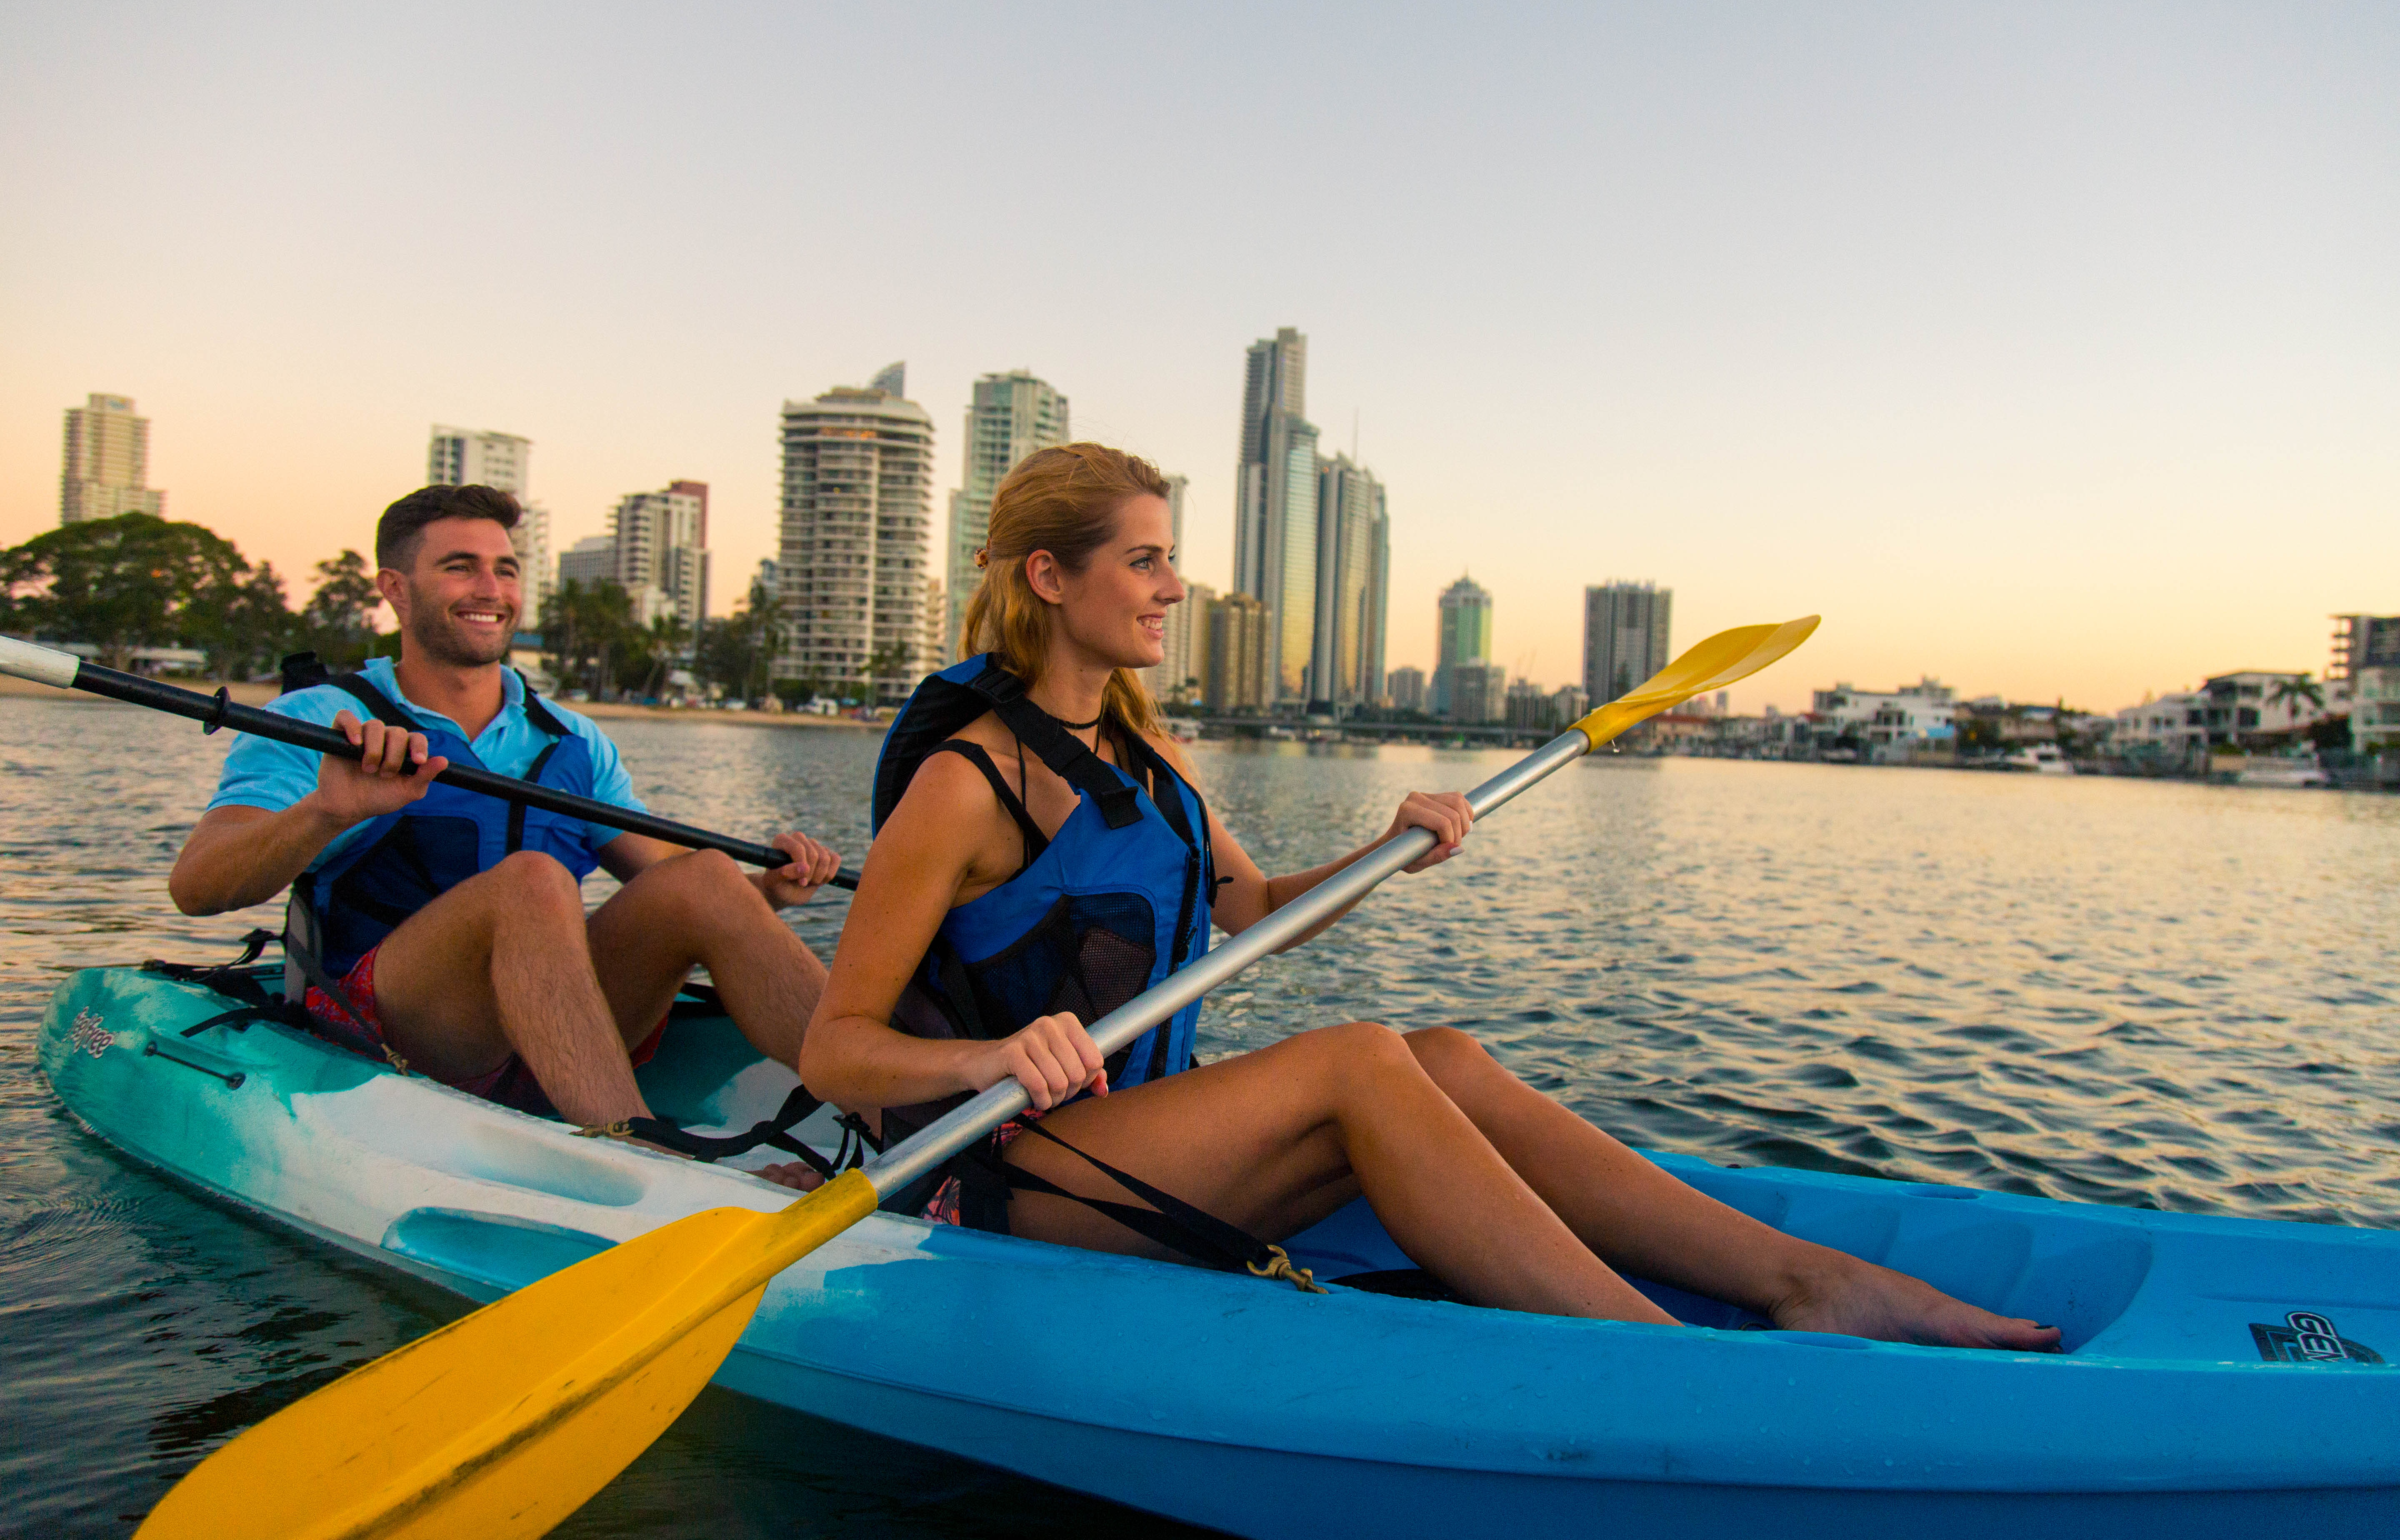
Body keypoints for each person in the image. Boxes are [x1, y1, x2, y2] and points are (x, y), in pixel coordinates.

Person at [797, 442, 2060, 1345]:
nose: (1174, 587)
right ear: (1049, 579)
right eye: (1145, 561)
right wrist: (988, 1057)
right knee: (1358, 1062)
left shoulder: (1147, 751)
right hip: (1005, 1179)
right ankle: (1666, 1357)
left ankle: (1802, 1281)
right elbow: (839, 1048)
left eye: (1172, 557)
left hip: (1134, 1134)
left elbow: (1252, 909)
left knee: (1438, 1055)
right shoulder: (966, 788)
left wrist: (1387, 843)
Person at [170, 483, 842, 1132]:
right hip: (399, 1032)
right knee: (533, 879)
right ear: (396, 590)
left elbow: (677, 886)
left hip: (556, 1033)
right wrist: (325, 811)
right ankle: (633, 1145)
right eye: (460, 569)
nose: (491, 591)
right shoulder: (316, 720)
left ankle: (899, 1123)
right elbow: (197, 887)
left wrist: (769, 892)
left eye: (506, 570)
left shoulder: (573, 740)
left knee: (706, 876)